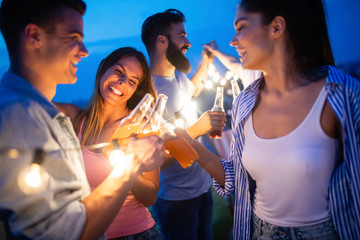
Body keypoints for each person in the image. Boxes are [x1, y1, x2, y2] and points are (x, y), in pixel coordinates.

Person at [174, 0, 360, 239]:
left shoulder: (342, 96)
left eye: (241, 28)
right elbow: (237, 179)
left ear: (277, 27)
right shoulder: (245, 102)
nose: (233, 40)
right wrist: (187, 141)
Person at [0, 1, 164, 239]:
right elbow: (70, 231)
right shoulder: (20, 115)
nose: (84, 50)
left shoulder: (43, 114)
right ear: (34, 36)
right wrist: (131, 165)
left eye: (132, 81)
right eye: (73, 36)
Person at [54, 47, 162, 240]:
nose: (122, 82)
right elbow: (27, 99)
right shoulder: (76, 119)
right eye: (119, 72)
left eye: (132, 81)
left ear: (135, 90)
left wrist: (127, 168)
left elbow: (150, 197)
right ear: (104, 68)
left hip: (136, 234)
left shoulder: (140, 128)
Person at [141, 9, 226, 240]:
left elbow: (192, 89)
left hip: (202, 190)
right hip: (176, 202)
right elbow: (154, 163)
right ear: (162, 41)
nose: (188, 42)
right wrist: (197, 130)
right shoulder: (147, 94)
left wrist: (206, 64)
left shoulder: (177, 76)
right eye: (182, 35)